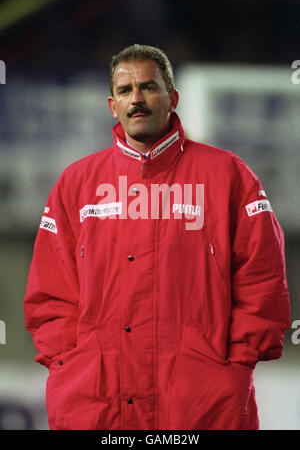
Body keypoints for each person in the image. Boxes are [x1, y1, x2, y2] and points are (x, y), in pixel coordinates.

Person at [24, 44, 290, 431]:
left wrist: (231, 362)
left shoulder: (228, 175)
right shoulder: (76, 184)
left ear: (173, 98)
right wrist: (71, 360)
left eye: (148, 87)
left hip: (200, 400)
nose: (137, 100)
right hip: (97, 400)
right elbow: (50, 293)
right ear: (112, 106)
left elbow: (263, 277)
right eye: (126, 91)